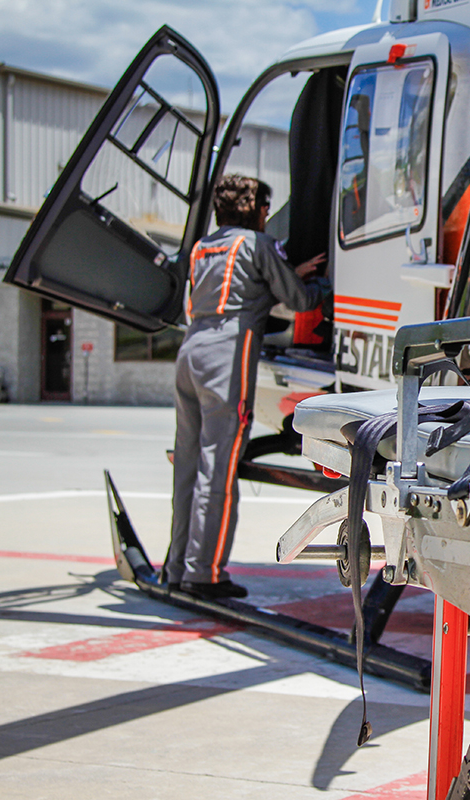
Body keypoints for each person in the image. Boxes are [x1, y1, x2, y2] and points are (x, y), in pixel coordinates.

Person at [166, 174, 330, 599]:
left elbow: (230, 291)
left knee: (187, 464)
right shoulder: (256, 245)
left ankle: (175, 567)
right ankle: (205, 573)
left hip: (189, 354)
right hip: (225, 357)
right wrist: (318, 284)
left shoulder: (205, 248)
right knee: (217, 469)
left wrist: (280, 277)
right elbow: (297, 300)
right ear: (257, 210)